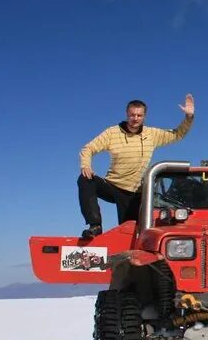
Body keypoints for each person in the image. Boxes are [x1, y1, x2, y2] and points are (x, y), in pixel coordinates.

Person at [78, 94, 195, 239]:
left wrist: (188, 117)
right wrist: (86, 165)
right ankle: (95, 226)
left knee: (130, 236)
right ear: (127, 114)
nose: (135, 118)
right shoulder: (112, 133)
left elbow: (178, 134)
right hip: (112, 186)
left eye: (139, 115)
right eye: (132, 115)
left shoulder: (151, 134)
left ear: (144, 116)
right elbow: (88, 148)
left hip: (134, 193)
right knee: (85, 180)